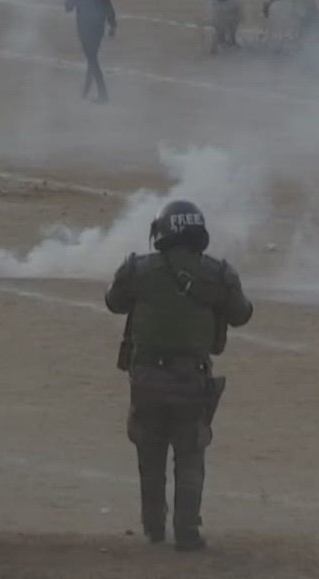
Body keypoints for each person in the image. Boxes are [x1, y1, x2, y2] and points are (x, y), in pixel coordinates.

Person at [106, 200, 252, 551]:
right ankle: (187, 530)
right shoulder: (218, 274)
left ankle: (153, 525)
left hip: (146, 378)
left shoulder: (138, 270)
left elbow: (114, 302)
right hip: (192, 379)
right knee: (190, 456)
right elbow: (242, 314)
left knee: (150, 453)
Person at [65, 0, 117, 103]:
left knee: (92, 60)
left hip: (85, 30)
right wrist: (112, 25)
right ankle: (85, 90)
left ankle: (103, 94)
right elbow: (109, 7)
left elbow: (68, 7)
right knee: (92, 58)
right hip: (98, 29)